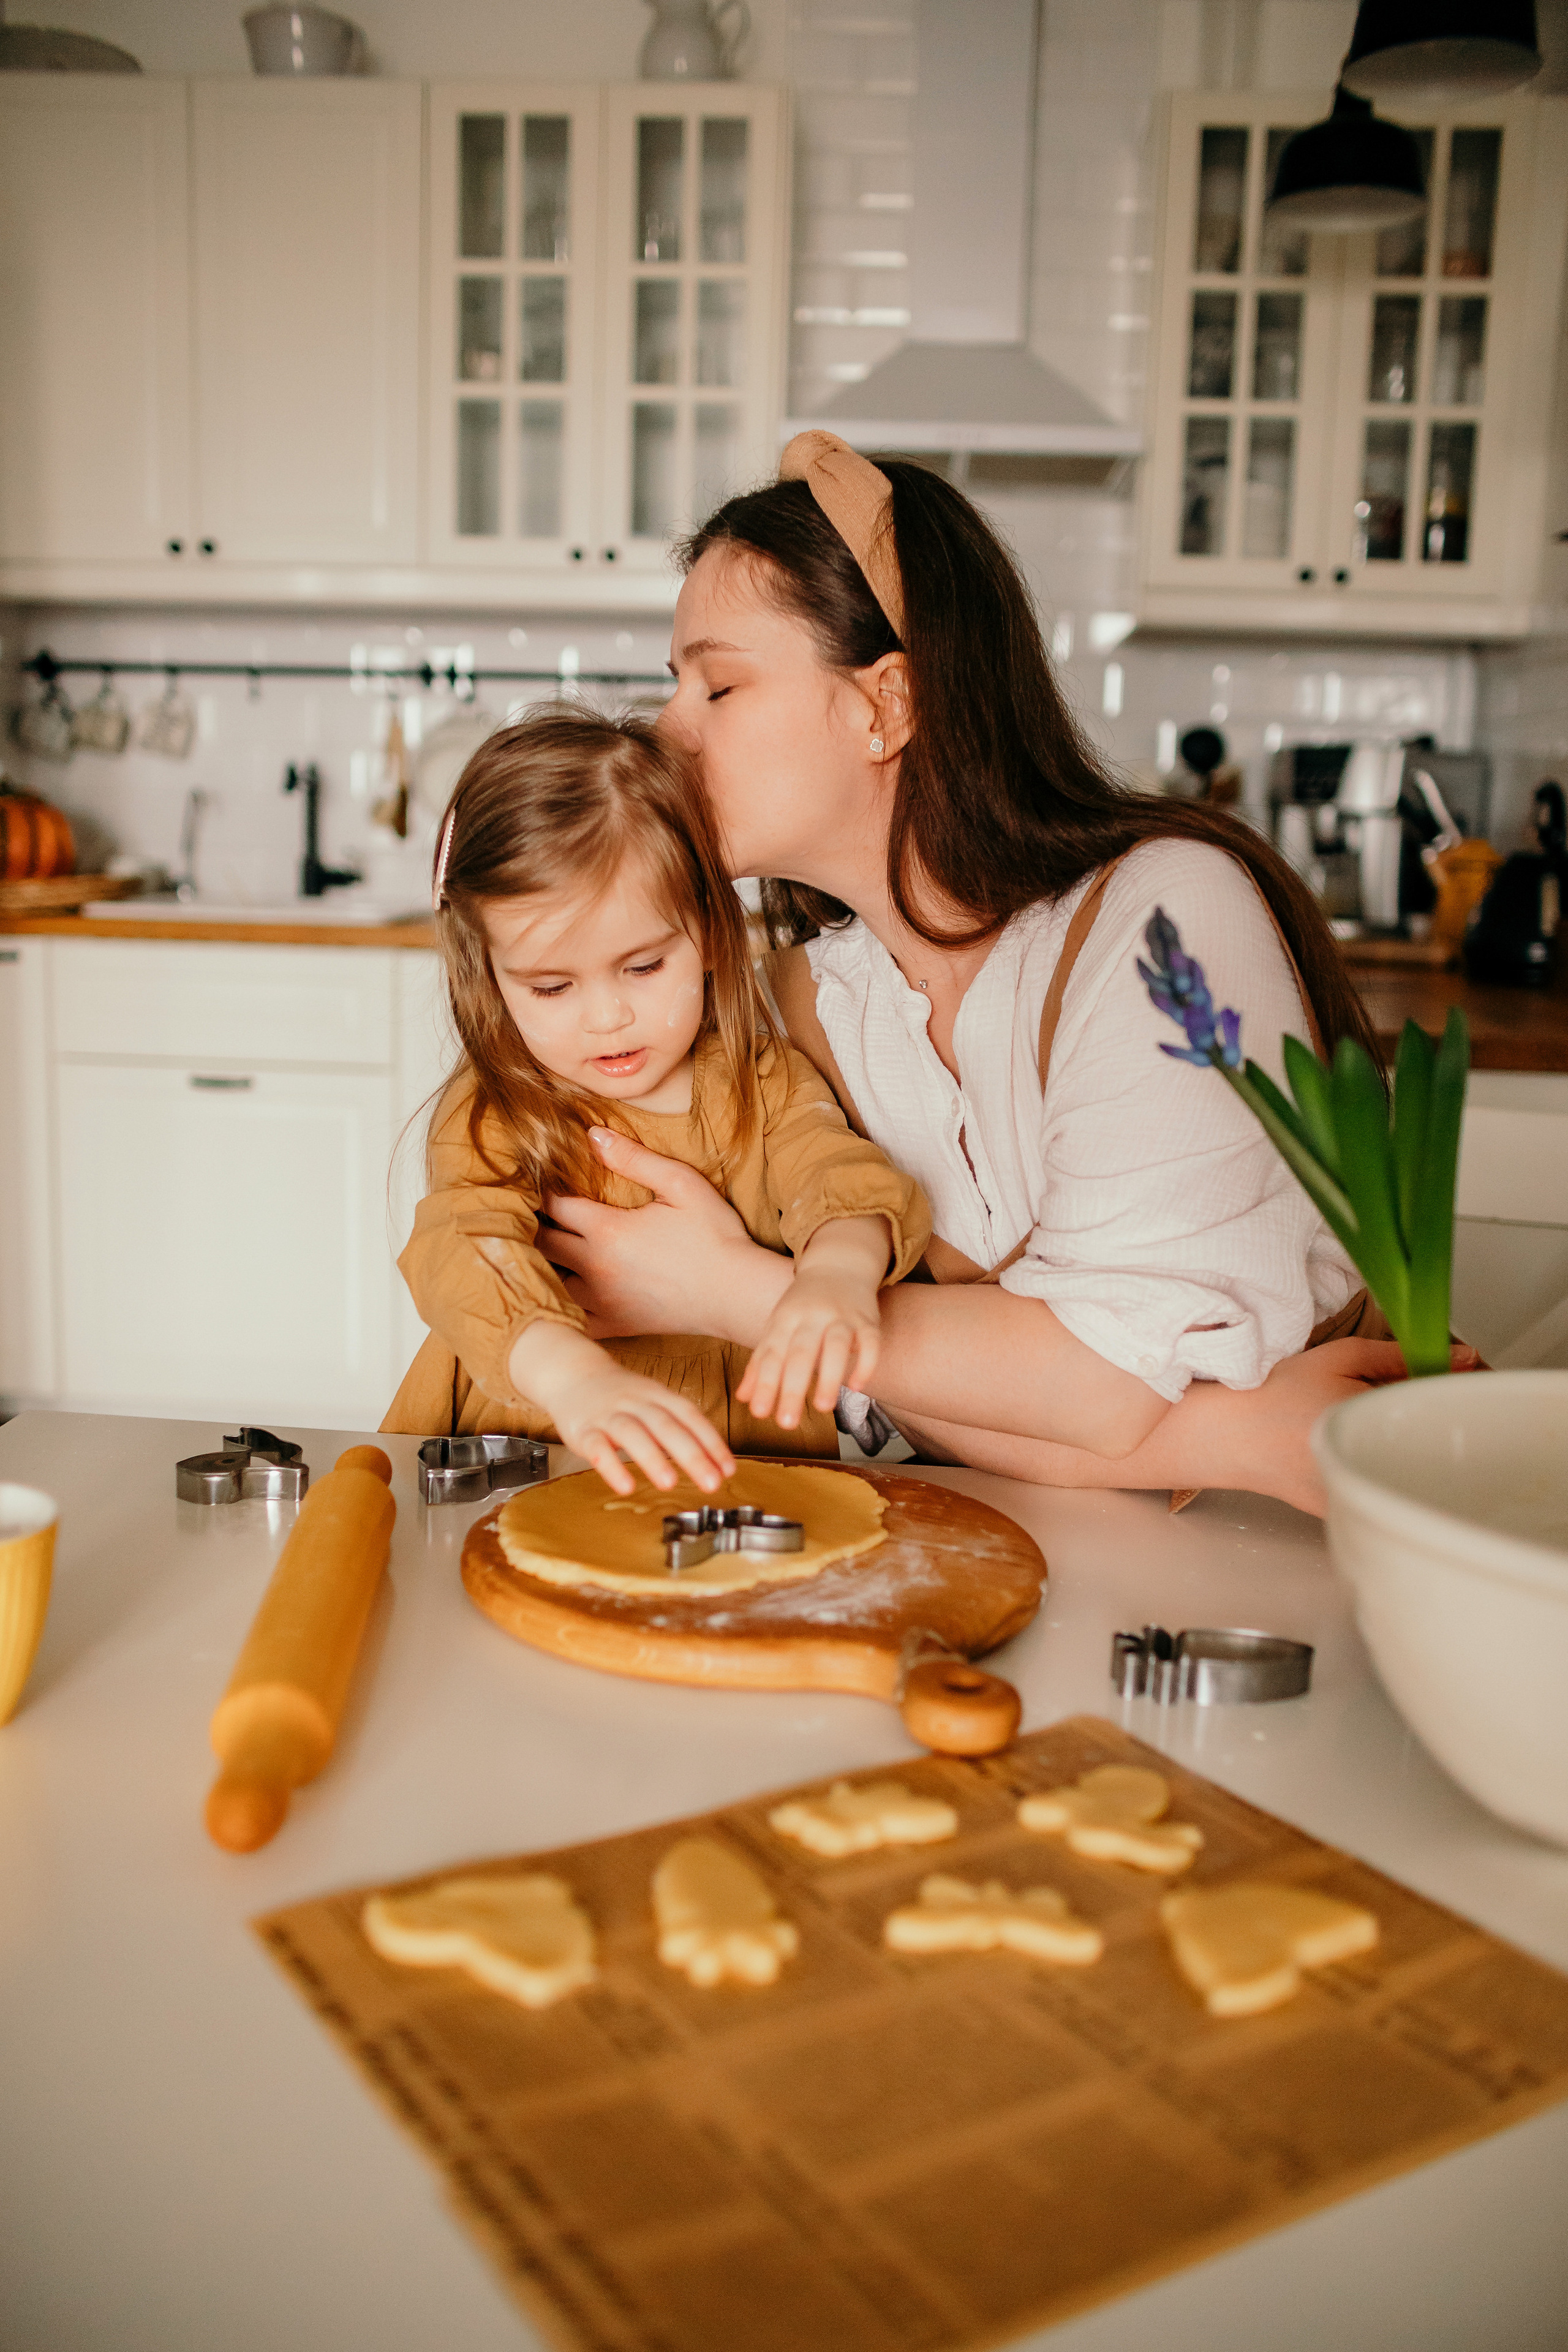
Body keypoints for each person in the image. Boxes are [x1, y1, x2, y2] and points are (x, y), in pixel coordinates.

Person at [537, 433, 1474, 1517]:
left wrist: (724, 1290)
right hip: (1034, 1549)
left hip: (1298, 1561)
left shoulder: (1163, 916)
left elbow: (1101, 1383)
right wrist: (1228, 1435)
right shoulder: (800, 1004)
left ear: (885, 704)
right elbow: (897, 1392)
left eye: (718, 686)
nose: (667, 732)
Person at [381, 706, 932, 1496]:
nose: (607, 1017)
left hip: (738, 1457)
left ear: (707, 932)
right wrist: (570, 1374)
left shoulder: (761, 1080)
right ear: (491, 976)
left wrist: (838, 1274)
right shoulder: (496, 1108)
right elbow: (463, 1247)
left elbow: (841, 1178)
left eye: (642, 967)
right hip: (526, 1446)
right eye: (552, 986)